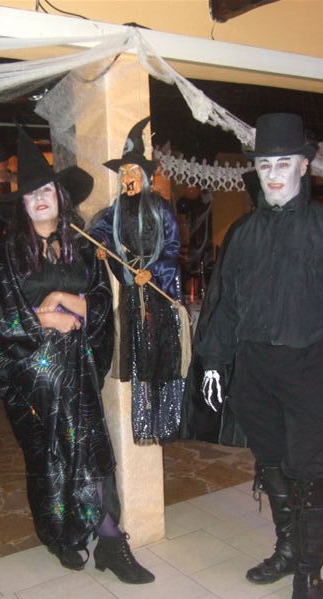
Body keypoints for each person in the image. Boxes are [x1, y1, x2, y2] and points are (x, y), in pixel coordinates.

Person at [195, 113, 323, 599]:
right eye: (265, 164)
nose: (273, 174)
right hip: (255, 368)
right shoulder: (242, 234)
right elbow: (225, 306)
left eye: (283, 163)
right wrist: (214, 362)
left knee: (309, 469)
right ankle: (286, 550)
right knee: (273, 462)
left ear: (303, 165)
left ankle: (310, 576)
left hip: (311, 366)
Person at [0, 126, 154, 584]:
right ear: (21, 205)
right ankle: (63, 536)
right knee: (52, 458)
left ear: (60, 196)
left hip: (78, 369)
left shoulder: (82, 247)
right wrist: (44, 322)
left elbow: (100, 302)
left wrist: (62, 301)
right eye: (30, 194)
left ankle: (111, 541)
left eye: (46, 190)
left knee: (92, 451)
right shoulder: (6, 256)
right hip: (35, 377)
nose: (39, 199)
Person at [90, 117, 185, 444]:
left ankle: (167, 422)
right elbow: (98, 232)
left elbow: (173, 246)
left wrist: (154, 271)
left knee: (161, 356)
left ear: (144, 176)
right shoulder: (115, 210)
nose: (128, 178)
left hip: (158, 292)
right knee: (140, 359)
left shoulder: (159, 208)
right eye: (123, 173)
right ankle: (145, 423)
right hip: (133, 292)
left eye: (133, 172)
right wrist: (101, 246)